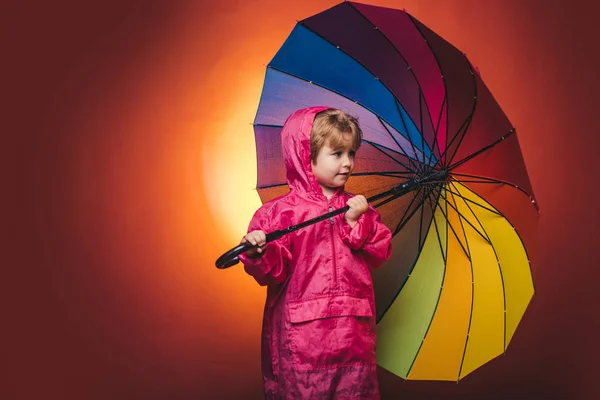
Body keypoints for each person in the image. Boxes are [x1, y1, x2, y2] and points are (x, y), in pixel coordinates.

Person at [239, 106, 392, 399]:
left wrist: (356, 225)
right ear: (305, 156)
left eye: (352, 153)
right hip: (302, 336)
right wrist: (259, 250)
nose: (348, 163)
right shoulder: (279, 214)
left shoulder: (361, 209)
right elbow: (274, 271)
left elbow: (381, 251)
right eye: (337, 154)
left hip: (352, 333)